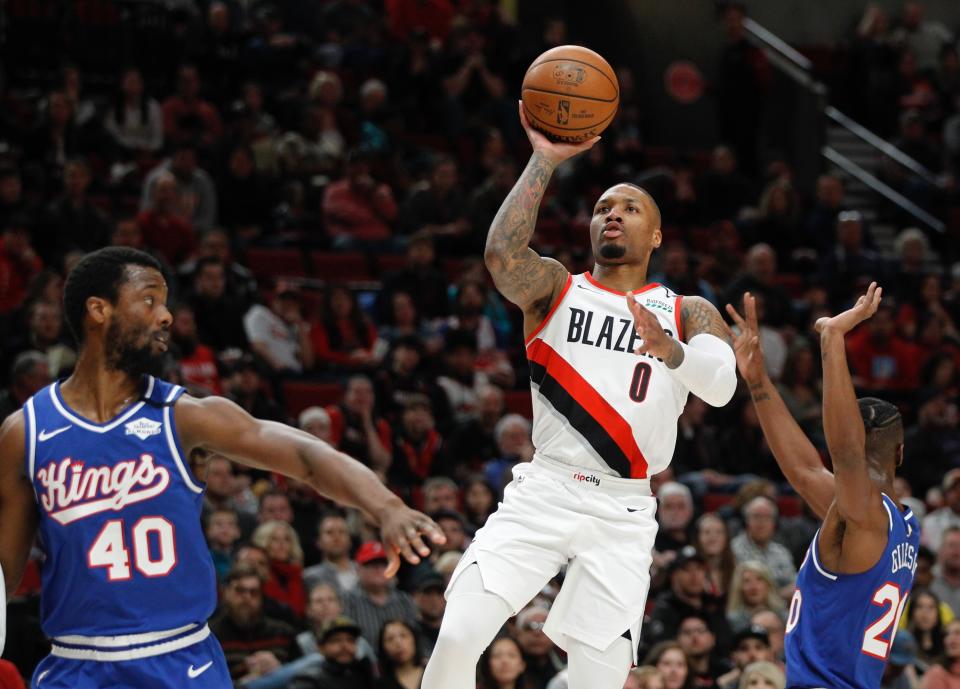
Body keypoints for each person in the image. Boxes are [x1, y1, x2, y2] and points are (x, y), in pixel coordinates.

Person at [0, 247, 445, 688]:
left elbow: (307, 457)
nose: (167, 316)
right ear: (99, 310)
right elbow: (4, 570)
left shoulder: (182, 415)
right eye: (150, 300)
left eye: (167, 303)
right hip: (77, 665)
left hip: (180, 659)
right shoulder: (28, 432)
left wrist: (387, 507)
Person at [422, 102, 737, 689]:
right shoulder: (555, 289)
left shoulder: (687, 311)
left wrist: (670, 350)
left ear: (657, 233)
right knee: (459, 632)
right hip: (545, 489)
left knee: (598, 680)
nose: (612, 215)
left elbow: (720, 387)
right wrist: (544, 158)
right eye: (601, 208)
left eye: (629, 207)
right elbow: (500, 257)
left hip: (624, 510)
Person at [726, 283, 919, 689]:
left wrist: (832, 339)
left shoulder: (863, 516)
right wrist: (758, 381)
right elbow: (804, 471)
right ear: (899, 453)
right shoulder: (903, 524)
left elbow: (847, 454)